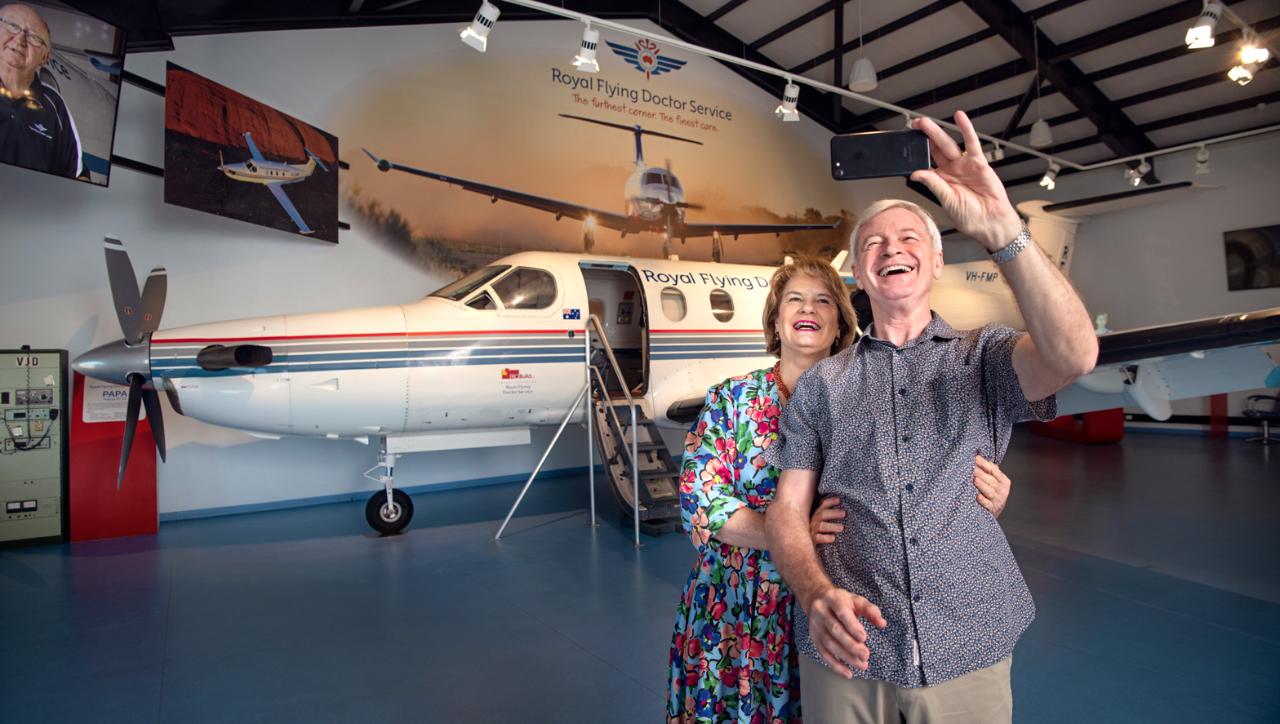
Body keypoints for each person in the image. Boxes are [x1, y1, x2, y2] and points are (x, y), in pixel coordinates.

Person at [764, 110, 1098, 723]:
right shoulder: (822, 386)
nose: (891, 248)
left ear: (937, 262)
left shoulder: (985, 358)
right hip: (849, 650)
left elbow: (1074, 354)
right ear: (861, 274)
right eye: (874, 244)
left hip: (969, 639)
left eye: (910, 238)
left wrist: (1004, 231)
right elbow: (786, 510)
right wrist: (814, 595)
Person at [667, 256, 1018, 723]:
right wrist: (792, 530)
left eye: (822, 300)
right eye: (794, 299)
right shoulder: (731, 399)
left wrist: (980, 491)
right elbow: (701, 501)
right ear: (776, 318)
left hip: (841, 613)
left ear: (840, 324)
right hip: (738, 608)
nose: (807, 308)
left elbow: (922, 477)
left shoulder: (868, 398)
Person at [0, 3, 81, 178]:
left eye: (33, 37)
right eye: (12, 25)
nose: (20, 39)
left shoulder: (56, 107)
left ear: (44, 58)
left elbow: (76, 176)